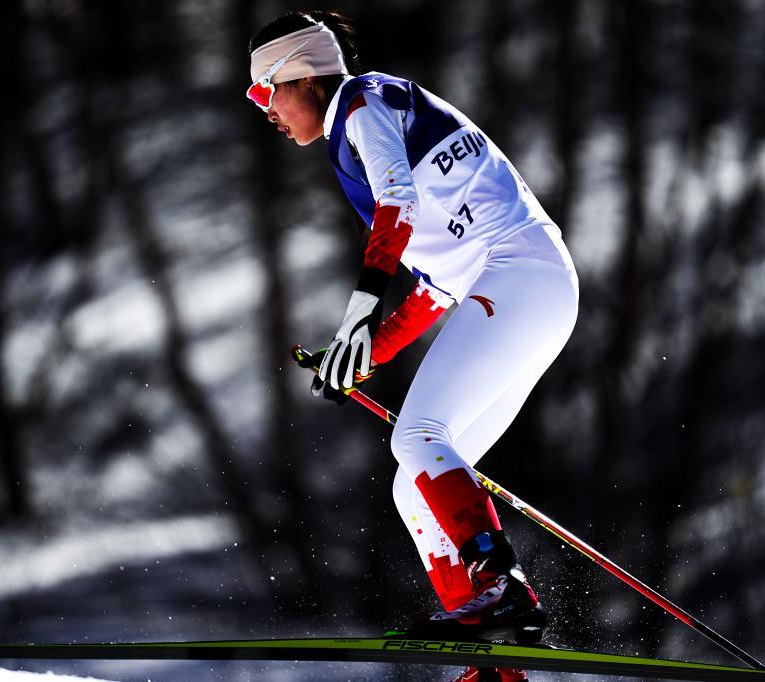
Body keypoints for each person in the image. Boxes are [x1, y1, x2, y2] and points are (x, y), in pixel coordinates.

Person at [247, 11, 579, 682]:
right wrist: (363, 356)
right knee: (412, 485)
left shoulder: (361, 104)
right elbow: (435, 287)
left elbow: (396, 205)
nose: (265, 110)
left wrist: (360, 313)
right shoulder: (366, 124)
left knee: (417, 433)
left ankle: (502, 591)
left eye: (263, 90)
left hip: (518, 274)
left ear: (301, 76)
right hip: (526, 285)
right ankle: (495, 659)